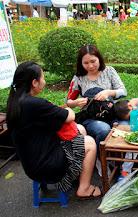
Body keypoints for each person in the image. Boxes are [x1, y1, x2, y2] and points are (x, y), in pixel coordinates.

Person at [6, 62, 102, 199]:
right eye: (43, 77)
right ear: (34, 82)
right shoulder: (34, 104)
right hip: (47, 166)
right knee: (90, 143)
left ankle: (79, 175)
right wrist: (68, 109)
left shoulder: (15, 101)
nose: (44, 81)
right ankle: (84, 188)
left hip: (32, 163)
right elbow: (70, 116)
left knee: (79, 129)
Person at [66, 44, 128, 154]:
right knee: (103, 129)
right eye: (86, 63)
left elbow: (123, 91)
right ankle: (101, 160)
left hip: (111, 113)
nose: (90, 66)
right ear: (81, 63)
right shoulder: (79, 78)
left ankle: (122, 160)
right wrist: (76, 103)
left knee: (125, 126)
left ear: (99, 58)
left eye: (93, 61)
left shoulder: (109, 71)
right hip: (91, 118)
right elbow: (68, 102)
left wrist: (108, 92)